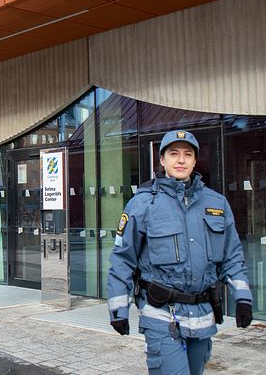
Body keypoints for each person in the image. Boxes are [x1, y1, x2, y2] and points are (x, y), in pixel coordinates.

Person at [107, 130, 253, 375]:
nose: (181, 160)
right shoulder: (142, 204)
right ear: (162, 160)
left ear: (195, 160)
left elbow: (232, 257)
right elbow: (123, 258)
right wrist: (118, 310)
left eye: (188, 154)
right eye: (173, 153)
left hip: (203, 313)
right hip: (161, 312)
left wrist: (243, 299)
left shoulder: (216, 203)